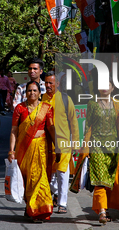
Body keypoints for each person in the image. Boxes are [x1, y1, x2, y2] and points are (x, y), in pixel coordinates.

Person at [73, 79, 119, 225]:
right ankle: (103, 212)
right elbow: (88, 127)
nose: (104, 88)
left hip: (113, 149)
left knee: (110, 181)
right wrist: (85, 147)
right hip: (96, 146)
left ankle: (105, 208)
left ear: (112, 89)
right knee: (99, 181)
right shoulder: (92, 104)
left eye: (108, 86)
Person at [8, 81, 59, 223]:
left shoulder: (47, 108)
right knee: (26, 180)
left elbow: (51, 129)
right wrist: (11, 150)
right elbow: (14, 130)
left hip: (40, 148)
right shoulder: (20, 108)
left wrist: (58, 146)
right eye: (29, 90)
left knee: (39, 179)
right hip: (23, 149)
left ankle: (38, 212)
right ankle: (29, 206)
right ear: (26, 93)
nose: (32, 93)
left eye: (34, 90)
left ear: (39, 93)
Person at [42, 71, 79, 214]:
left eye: (51, 83)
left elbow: (74, 122)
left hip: (63, 143)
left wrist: (75, 143)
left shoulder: (65, 99)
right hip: (45, 143)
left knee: (62, 173)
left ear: (57, 84)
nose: (48, 85)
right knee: (49, 175)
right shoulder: (41, 99)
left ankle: (62, 203)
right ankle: (55, 193)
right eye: (46, 83)